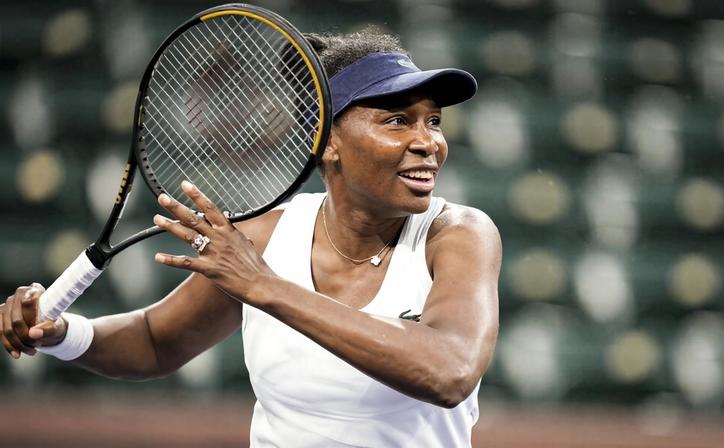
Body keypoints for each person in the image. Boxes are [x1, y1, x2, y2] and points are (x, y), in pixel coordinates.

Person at [0, 29, 501, 447]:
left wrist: (266, 287)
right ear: (326, 143)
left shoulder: (459, 235)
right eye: (397, 120)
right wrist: (64, 335)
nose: (428, 142)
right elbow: (155, 343)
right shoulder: (262, 240)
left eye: (433, 120)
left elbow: (450, 372)